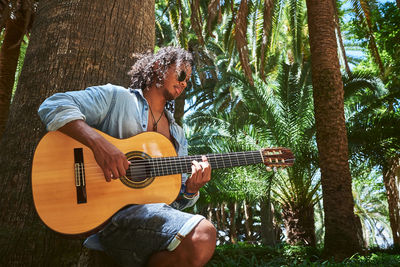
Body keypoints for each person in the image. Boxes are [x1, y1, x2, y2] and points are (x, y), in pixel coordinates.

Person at [38, 46, 216, 267]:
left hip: (146, 224)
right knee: (203, 234)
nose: (184, 83)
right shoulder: (117, 98)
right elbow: (53, 105)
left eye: (188, 80)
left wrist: (190, 189)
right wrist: (99, 145)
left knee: (196, 242)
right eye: (181, 74)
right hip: (107, 219)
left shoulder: (177, 134)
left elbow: (171, 205)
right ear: (159, 67)